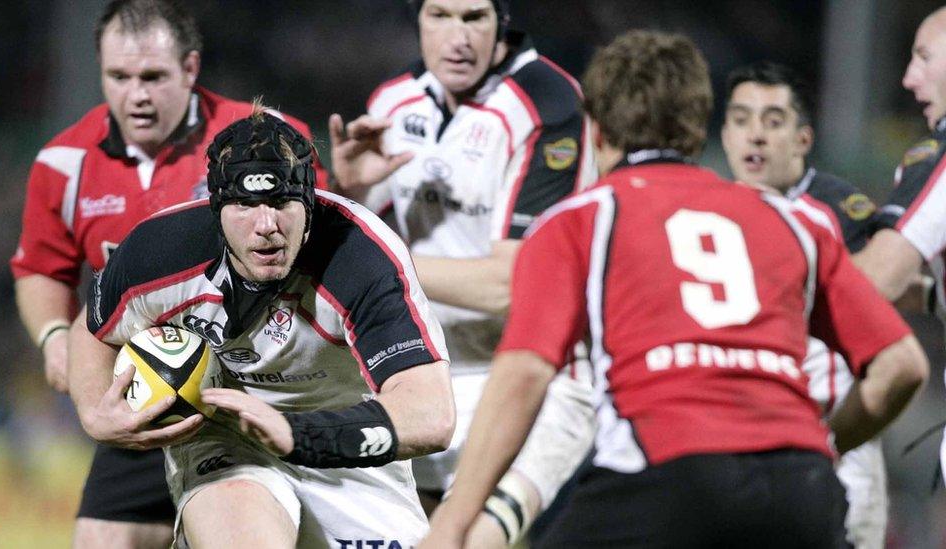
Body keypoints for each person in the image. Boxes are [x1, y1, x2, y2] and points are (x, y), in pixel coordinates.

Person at [421, 30, 929, 548]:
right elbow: (902, 366)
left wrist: (452, 522)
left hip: (666, 477)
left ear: (596, 130)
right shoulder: (796, 221)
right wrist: (826, 444)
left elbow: (524, 371)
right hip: (803, 489)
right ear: (699, 125)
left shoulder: (580, 219)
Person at [9, 1, 325, 546]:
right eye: (119, 76)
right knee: (101, 539)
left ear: (190, 68)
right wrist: (54, 336)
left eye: (153, 77)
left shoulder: (264, 140)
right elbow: (40, 268)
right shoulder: (63, 163)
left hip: (265, 388)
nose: (136, 94)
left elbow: (326, 240)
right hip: (148, 391)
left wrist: (358, 186)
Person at [67, 109, 456, 547]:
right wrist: (93, 414)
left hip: (340, 438)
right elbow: (92, 330)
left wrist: (299, 434)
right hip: (229, 440)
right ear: (217, 206)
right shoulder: (159, 251)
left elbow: (431, 414)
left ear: (310, 200)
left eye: (281, 202)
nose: (266, 226)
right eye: (245, 205)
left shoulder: (361, 257)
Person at [329, 1, 597, 546]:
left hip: (524, 379)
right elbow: (363, 241)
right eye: (441, 16)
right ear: (417, 18)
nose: (458, 38)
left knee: (473, 539)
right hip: (420, 372)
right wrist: (353, 191)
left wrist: (382, 265)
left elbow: (510, 286)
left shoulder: (549, 102)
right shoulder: (391, 102)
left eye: (474, 17)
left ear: (502, 20)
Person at [721, 60, 888, 548]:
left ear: (803, 139)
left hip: (833, 442)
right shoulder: (705, 212)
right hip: (737, 444)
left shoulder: (842, 211)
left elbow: (892, 295)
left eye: (773, 122)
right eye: (741, 120)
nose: (755, 136)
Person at [854, 5, 946, 484]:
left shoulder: (940, 161)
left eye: (924, 57)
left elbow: (877, 279)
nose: (910, 79)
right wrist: (931, 297)